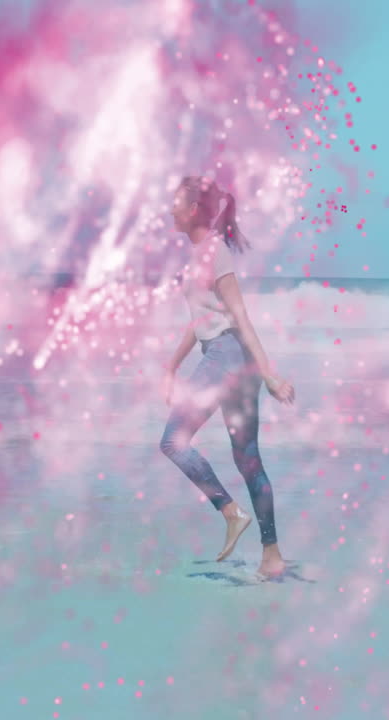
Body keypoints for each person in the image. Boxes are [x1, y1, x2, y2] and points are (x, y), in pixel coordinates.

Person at [160, 176, 295, 579]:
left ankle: (230, 511)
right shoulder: (201, 254)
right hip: (229, 356)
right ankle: (272, 557)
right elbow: (202, 320)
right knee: (247, 458)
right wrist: (171, 367)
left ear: (193, 211)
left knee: (173, 440)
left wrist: (270, 374)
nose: (170, 209)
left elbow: (239, 317)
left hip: (226, 355)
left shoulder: (214, 253)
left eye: (175, 203)